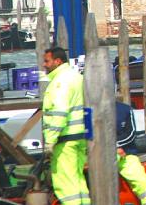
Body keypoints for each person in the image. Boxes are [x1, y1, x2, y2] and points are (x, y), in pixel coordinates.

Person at [42, 47, 90, 205]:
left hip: (65, 140)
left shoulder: (60, 82)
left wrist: (50, 141)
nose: (44, 65)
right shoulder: (77, 77)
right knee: (78, 180)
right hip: (80, 137)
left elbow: (60, 112)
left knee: (66, 185)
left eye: (47, 61)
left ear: (57, 61)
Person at [115, 101, 146, 205]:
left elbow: (130, 134)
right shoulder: (89, 110)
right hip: (98, 157)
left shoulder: (125, 110)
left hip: (126, 156)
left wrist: (116, 146)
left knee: (142, 182)